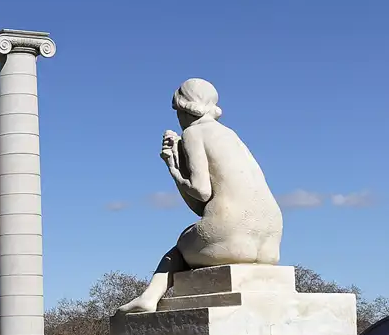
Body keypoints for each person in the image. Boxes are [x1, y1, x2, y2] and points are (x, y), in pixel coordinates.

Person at [116, 78, 283, 314]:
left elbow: (201, 193)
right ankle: (148, 298)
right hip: (271, 240)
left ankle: (149, 296)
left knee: (181, 244)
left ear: (184, 108)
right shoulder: (231, 135)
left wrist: (174, 168)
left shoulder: (194, 133)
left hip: (231, 231)